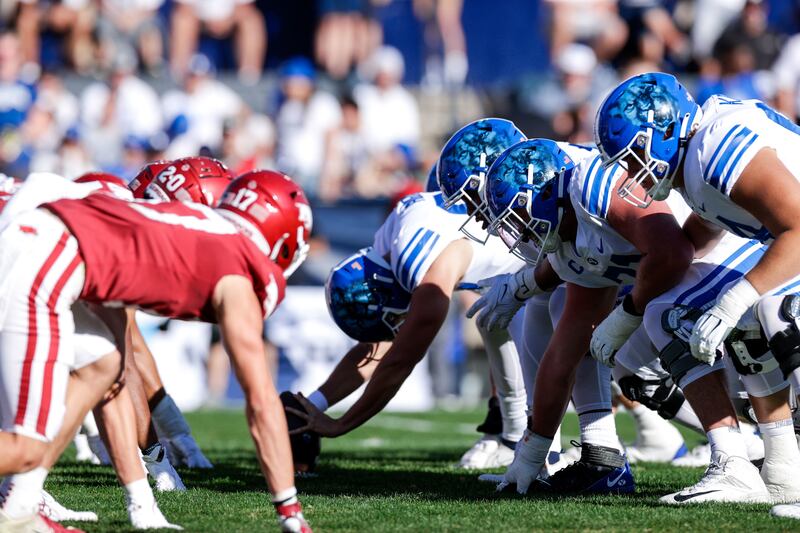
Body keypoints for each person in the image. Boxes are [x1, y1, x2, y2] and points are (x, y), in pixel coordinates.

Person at [0, 169, 314, 532]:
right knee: (24, 448)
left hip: (47, 242)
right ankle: (20, 499)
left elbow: (116, 374)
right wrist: (288, 508)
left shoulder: (187, 222)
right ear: (284, 242)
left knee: (101, 365)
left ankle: (19, 507)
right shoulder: (237, 266)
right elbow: (260, 400)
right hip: (42, 254)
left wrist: (140, 498)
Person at [593, 71, 800, 517]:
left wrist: (734, 300)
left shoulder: (715, 145)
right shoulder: (697, 157)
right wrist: (632, 309)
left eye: (634, 156)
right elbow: (702, 231)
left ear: (665, 129)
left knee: (773, 307)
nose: (632, 172)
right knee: (670, 312)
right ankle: (760, 465)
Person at [283, 119, 528, 469]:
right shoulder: (392, 235)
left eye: (391, 320)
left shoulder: (421, 266)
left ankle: (575, 448)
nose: (395, 325)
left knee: (575, 342)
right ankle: (512, 435)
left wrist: (341, 425)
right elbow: (379, 347)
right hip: (522, 259)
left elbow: (399, 359)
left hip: (556, 247)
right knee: (495, 316)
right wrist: (315, 403)